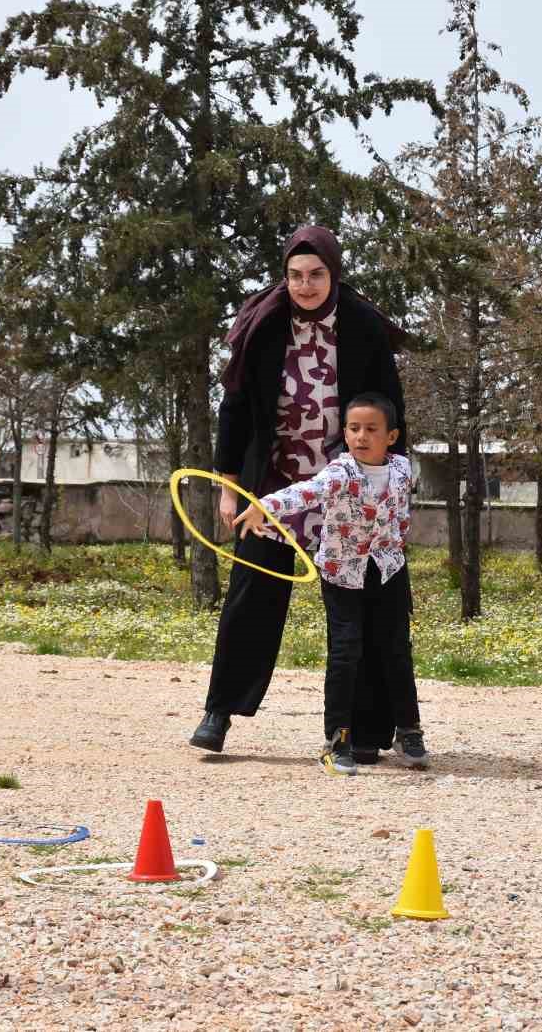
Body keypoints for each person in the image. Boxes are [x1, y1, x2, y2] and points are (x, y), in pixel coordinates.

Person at [190, 225, 408, 758]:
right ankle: (220, 712)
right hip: (277, 487)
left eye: (315, 275)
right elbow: (236, 409)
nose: (305, 286)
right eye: (295, 276)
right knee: (251, 597)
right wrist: (229, 489)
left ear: (333, 275)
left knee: (368, 606)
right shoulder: (262, 325)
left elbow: (391, 407)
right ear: (283, 277)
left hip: (348, 489)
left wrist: (389, 485)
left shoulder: (362, 325)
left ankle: (366, 733)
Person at [232, 393, 427, 774]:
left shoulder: (404, 469)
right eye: (354, 428)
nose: (361, 436)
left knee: (396, 651)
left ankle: (408, 729)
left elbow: (401, 512)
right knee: (345, 651)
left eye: (371, 429)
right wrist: (263, 506)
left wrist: (396, 543)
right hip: (343, 573)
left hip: (387, 569)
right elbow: (303, 493)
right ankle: (336, 739)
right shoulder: (340, 473)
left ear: (391, 436)